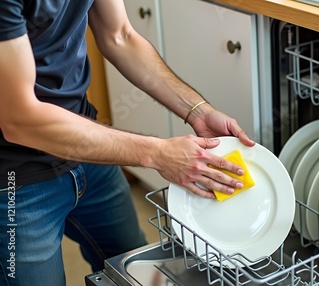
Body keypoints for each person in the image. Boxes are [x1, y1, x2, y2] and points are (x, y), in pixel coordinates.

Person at [0, 1, 255, 285]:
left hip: (89, 151)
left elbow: (119, 35)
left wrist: (198, 110)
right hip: (15, 181)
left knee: (133, 268)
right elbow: (20, 120)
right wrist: (158, 153)